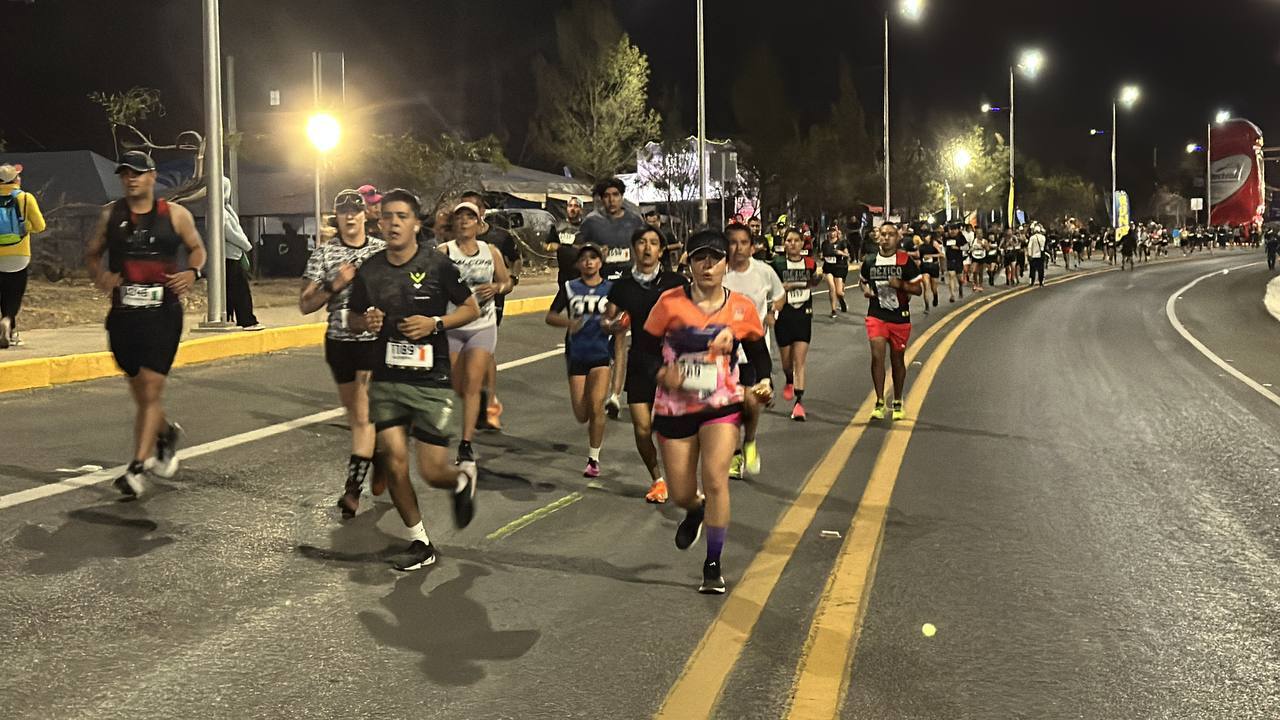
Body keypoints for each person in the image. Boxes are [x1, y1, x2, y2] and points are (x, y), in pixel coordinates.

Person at [345, 188, 481, 571]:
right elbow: (353, 317)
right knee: (393, 461)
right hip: (386, 377)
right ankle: (420, 541)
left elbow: (471, 308)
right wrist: (364, 322)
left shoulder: (436, 265)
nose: (392, 223)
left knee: (432, 470)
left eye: (401, 216)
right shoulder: (369, 270)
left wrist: (435, 322)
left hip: (432, 379)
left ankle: (460, 480)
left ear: (416, 224)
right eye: (387, 216)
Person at [643, 229, 774, 594]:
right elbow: (644, 349)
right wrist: (660, 372)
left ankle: (713, 564)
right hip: (675, 407)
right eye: (699, 257)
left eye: (714, 259)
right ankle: (694, 509)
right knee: (683, 492)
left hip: (721, 405)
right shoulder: (669, 303)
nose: (707, 265)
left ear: (724, 264)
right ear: (688, 261)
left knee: (716, 478)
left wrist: (763, 380)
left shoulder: (741, 307)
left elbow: (759, 352)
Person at [85, 151, 207, 497]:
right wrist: (101, 276)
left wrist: (192, 272)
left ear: (152, 176)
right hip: (124, 317)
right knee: (141, 392)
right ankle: (165, 433)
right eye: (125, 174)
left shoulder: (175, 215)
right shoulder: (111, 215)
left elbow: (197, 249)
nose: (131, 179)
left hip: (162, 315)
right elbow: (93, 254)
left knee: (151, 388)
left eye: (137, 173)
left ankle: (137, 468)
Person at [300, 189, 387, 518]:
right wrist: (333, 285)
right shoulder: (324, 254)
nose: (350, 216)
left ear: (366, 215)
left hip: (372, 342)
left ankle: (352, 491)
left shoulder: (381, 251)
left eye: (356, 210)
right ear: (335, 218)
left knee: (363, 416)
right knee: (356, 417)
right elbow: (305, 304)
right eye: (343, 211)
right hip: (338, 342)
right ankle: (376, 455)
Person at [603, 227, 688, 503]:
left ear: (661, 251)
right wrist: (611, 325)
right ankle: (658, 479)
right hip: (641, 362)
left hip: (672, 364)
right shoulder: (623, 286)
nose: (647, 248)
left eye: (653, 243)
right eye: (641, 243)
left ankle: (681, 474)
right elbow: (607, 318)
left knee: (670, 429)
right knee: (641, 428)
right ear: (633, 248)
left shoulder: (676, 282)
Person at [438, 201, 512, 468]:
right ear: (455, 224)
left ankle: (466, 444)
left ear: (479, 223)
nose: (465, 221)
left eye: (470, 217)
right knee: (455, 384)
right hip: (453, 325)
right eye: (460, 217)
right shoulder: (444, 252)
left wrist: (497, 287)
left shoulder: (490, 251)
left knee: (471, 383)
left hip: (483, 325)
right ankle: (476, 398)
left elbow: (508, 282)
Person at [546, 243, 613, 477]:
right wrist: (569, 324)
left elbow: (622, 316)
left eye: (593, 258)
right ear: (578, 264)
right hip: (577, 354)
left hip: (601, 354)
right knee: (581, 413)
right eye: (584, 258)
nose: (588, 262)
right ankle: (592, 446)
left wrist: (613, 325)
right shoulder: (569, 287)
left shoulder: (611, 289)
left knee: (596, 407)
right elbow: (551, 316)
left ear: (600, 262)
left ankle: (593, 459)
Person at [722, 222, 783, 478]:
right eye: (733, 242)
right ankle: (736, 454)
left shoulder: (764, 271)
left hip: (755, 348)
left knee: (749, 402)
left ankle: (750, 440)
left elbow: (779, 296)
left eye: (743, 242)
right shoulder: (719, 272)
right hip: (725, 351)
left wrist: (773, 313)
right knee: (732, 404)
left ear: (752, 246)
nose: (738, 248)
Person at [461, 190, 520, 431]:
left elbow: (516, 259)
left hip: (489, 304)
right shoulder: (456, 239)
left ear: (482, 212)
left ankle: (488, 406)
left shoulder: (500, 237)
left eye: (472, 210)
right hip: (459, 306)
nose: (466, 217)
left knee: (484, 354)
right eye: (462, 210)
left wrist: (510, 280)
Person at [860, 224, 922, 421]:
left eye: (890, 235)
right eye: (883, 234)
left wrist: (900, 285)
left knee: (897, 360)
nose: (885, 238)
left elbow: (918, 289)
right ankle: (879, 401)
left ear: (898, 238)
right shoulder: (870, 260)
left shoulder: (905, 261)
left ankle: (897, 400)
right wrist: (866, 289)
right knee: (877, 355)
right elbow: (863, 280)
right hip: (876, 314)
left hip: (899, 317)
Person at [771, 228, 823, 421]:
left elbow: (813, 284)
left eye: (796, 241)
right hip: (784, 315)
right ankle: (789, 380)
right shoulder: (777, 264)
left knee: (799, 361)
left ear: (802, 244)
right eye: (789, 240)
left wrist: (818, 277)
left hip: (803, 314)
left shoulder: (809, 263)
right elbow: (772, 288)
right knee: (786, 362)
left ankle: (799, 403)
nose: (792, 244)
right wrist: (786, 287)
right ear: (784, 244)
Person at [0, 163, 46, 348]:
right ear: (15, 179)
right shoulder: (25, 198)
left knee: (2, 292)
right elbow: (40, 226)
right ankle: (8, 320)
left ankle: (8, 328)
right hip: (19, 254)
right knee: (15, 292)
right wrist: (26, 227)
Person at [218, 177, 263, 331]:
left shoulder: (224, 208)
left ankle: (231, 317)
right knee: (240, 290)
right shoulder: (219, 210)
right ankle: (247, 320)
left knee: (232, 289)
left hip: (233, 255)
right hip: (229, 256)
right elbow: (229, 232)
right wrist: (246, 244)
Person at [545, 196, 585, 287]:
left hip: (582, 274)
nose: (572, 209)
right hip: (564, 275)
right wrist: (552, 246)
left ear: (581, 210)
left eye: (576, 206)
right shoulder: (558, 227)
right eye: (570, 206)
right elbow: (547, 245)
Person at [820, 224, 850, 317]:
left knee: (839, 292)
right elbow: (822, 254)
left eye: (833, 231)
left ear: (836, 232)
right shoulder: (825, 243)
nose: (832, 233)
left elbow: (847, 254)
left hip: (839, 267)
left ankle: (841, 300)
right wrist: (822, 256)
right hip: (828, 268)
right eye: (830, 231)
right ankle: (833, 310)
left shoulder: (841, 242)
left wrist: (841, 253)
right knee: (831, 288)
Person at [942, 223, 968, 302]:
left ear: (957, 230)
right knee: (951, 275)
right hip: (950, 259)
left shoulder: (961, 237)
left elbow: (967, 247)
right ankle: (952, 295)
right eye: (951, 229)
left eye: (954, 229)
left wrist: (959, 248)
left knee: (959, 277)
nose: (952, 231)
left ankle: (960, 286)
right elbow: (943, 247)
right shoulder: (946, 237)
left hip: (958, 259)